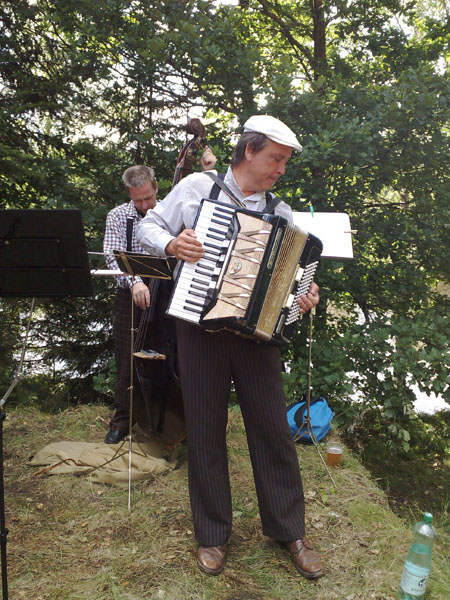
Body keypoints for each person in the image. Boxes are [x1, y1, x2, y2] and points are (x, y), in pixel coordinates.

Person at [135, 115, 323, 579]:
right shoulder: (200, 186)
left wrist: (304, 299)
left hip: (257, 338)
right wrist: (172, 243)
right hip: (200, 328)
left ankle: (288, 530)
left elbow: (291, 287)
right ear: (248, 151)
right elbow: (148, 227)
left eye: (285, 162)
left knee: (272, 430)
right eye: (276, 159)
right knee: (204, 429)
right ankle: (213, 535)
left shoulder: (281, 212)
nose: (281, 169)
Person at [103, 149, 216, 445]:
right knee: (127, 356)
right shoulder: (117, 216)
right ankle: (124, 417)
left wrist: (207, 171)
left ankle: (176, 419)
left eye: (148, 198)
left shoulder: (171, 209)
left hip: (167, 295)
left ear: (156, 188)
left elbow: (201, 225)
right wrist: (135, 282)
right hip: (131, 294)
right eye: (137, 200)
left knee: (175, 358)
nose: (143, 205)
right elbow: (112, 257)